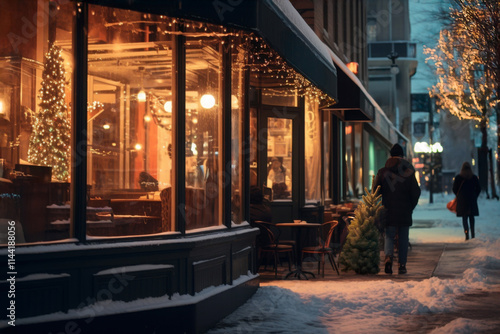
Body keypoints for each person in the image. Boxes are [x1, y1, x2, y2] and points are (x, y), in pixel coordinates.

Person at [373, 143, 421, 275]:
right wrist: (410, 206)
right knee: (403, 238)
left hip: (388, 210)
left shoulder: (383, 172)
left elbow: (375, 191)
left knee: (389, 236)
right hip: (405, 211)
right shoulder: (408, 172)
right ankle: (402, 265)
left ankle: (388, 259)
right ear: (402, 156)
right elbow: (416, 192)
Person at [453, 162, 481, 240]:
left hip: (462, 200)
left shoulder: (459, 178)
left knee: (464, 218)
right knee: (471, 217)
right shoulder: (474, 178)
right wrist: (475, 196)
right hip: (471, 200)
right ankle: (472, 234)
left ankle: (466, 234)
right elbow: (478, 188)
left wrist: (459, 196)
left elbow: (454, 189)